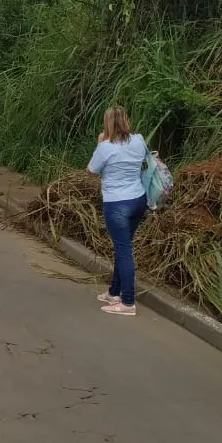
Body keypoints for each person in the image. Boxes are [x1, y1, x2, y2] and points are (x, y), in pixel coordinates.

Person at [86, 106, 148, 316]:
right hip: (138, 199)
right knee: (123, 247)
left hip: (117, 203)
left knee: (123, 251)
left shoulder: (106, 147)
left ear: (108, 123)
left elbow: (91, 170)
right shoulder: (139, 140)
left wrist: (100, 143)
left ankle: (128, 302)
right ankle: (114, 292)